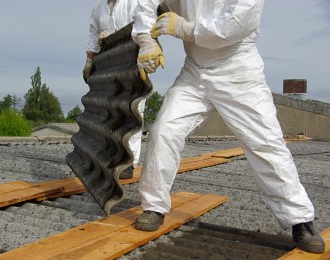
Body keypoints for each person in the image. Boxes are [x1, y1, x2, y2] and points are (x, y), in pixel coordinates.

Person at [131, 0, 325, 254]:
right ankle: (153, 206)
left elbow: (234, 25)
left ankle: (299, 219)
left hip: (237, 70)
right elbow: (146, 3)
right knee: (164, 130)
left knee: (265, 143)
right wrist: (146, 40)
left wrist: (185, 29)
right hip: (194, 71)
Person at [83, 0, 144, 179]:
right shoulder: (99, 8)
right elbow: (94, 35)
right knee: (110, 111)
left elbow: (146, 27)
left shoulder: (135, 3)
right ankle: (110, 157)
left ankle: (129, 162)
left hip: (132, 60)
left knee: (133, 111)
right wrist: (89, 61)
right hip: (108, 62)